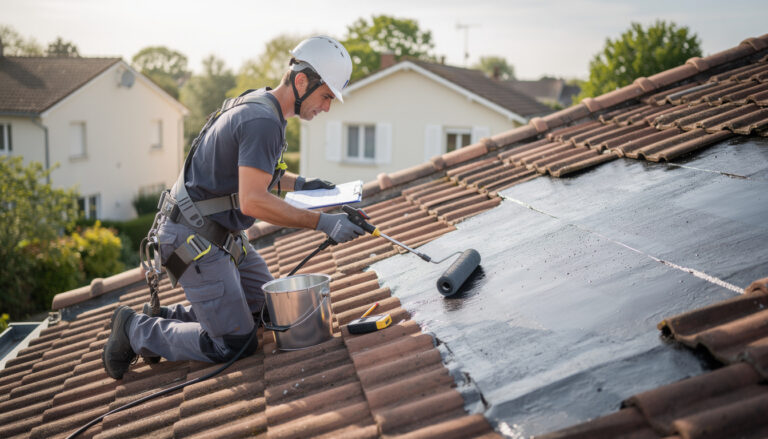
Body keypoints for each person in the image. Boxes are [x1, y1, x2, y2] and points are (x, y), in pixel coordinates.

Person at [102, 36, 364, 379]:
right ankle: (136, 331)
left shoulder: (262, 106)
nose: (327, 107)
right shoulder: (263, 121)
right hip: (193, 239)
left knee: (264, 312)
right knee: (236, 342)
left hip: (216, 234)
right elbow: (252, 199)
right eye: (326, 96)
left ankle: (162, 319)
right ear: (302, 81)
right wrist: (322, 223)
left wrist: (300, 184)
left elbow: (250, 172)